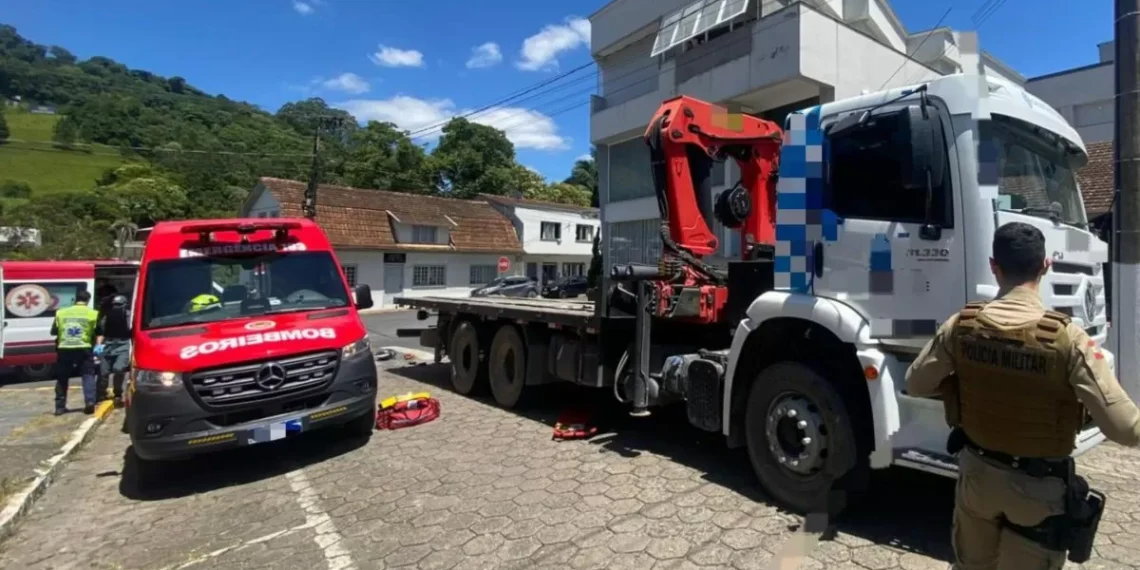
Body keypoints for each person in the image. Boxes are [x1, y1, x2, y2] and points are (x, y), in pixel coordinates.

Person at [906, 221, 1140, 569]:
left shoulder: (962, 324)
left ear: (993, 266)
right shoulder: (1067, 338)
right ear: (1046, 265)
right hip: (1038, 493)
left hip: (977, 478)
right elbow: (1126, 429)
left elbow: (916, 384)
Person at [49, 290, 100, 415]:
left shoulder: (61, 313)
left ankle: (59, 407)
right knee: (88, 375)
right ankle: (89, 402)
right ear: (87, 301)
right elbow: (98, 331)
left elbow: (53, 332)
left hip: (64, 347)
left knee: (62, 377)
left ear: (74, 300)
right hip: (84, 347)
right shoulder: (93, 313)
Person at [95, 294, 132, 408]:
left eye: (119, 305)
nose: (117, 307)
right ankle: (100, 394)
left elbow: (132, 329)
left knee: (118, 369)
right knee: (103, 372)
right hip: (108, 344)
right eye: (115, 305)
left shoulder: (129, 315)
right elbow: (100, 331)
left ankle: (117, 394)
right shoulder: (106, 316)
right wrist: (98, 346)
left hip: (123, 344)